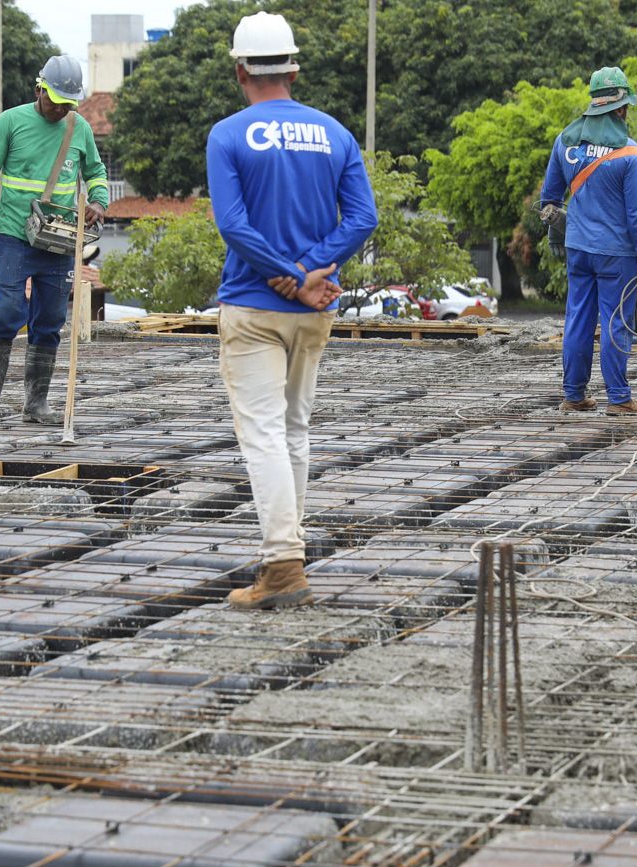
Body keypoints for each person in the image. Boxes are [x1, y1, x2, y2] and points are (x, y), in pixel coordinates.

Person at [207, 12, 377, 610]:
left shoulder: (228, 135)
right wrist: (311, 273)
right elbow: (363, 218)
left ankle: (283, 565)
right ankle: (288, 551)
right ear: (294, 69)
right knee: (295, 428)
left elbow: (233, 225)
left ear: (239, 71)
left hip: (255, 307)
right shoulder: (335, 134)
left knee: (262, 436)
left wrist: (285, 277)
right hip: (313, 309)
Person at [0, 54, 110, 423]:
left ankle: (36, 403)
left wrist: (98, 200)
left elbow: (95, 171)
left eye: (67, 103)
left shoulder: (78, 128)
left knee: (49, 318)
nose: (59, 109)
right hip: (17, 234)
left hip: (59, 239)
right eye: (54, 101)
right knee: (10, 309)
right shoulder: (10, 122)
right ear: (38, 90)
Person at [538, 66, 637, 416]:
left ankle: (574, 394)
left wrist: (555, 230)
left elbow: (549, 199)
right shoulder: (628, 153)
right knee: (615, 321)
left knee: (578, 319)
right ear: (620, 109)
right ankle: (619, 397)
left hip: (577, 249)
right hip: (616, 254)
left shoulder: (566, 141)